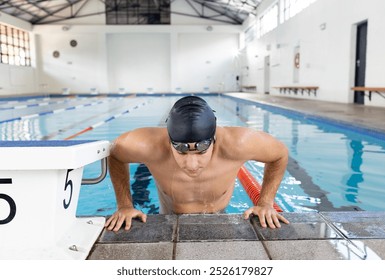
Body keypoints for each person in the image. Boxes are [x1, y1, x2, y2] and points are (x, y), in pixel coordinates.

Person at [105, 95, 289, 232]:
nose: (192, 165)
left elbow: (279, 154)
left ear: (214, 138)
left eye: (201, 151)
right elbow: (115, 154)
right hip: (167, 220)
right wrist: (124, 206)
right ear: (169, 140)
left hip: (220, 218)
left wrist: (265, 202)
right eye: (181, 151)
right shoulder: (148, 145)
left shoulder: (238, 144)